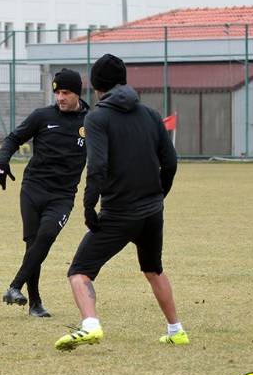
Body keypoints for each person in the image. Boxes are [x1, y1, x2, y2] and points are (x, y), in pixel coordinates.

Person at [54, 54, 187, 351]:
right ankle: (176, 330)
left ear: (97, 85)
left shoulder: (97, 117)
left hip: (119, 213)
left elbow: (97, 166)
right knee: (154, 269)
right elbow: (171, 161)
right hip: (152, 210)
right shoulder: (151, 114)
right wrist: (158, 195)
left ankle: (90, 325)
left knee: (79, 271)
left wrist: (89, 206)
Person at [0, 69, 89, 317]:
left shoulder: (92, 121)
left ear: (77, 93)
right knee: (32, 244)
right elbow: (13, 139)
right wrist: (2, 162)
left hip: (62, 196)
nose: (60, 97)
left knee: (45, 237)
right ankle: (35, 304)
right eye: (57, 92)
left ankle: (15, 286)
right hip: (33, 189)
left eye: (65, 92)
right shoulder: (42, 116)